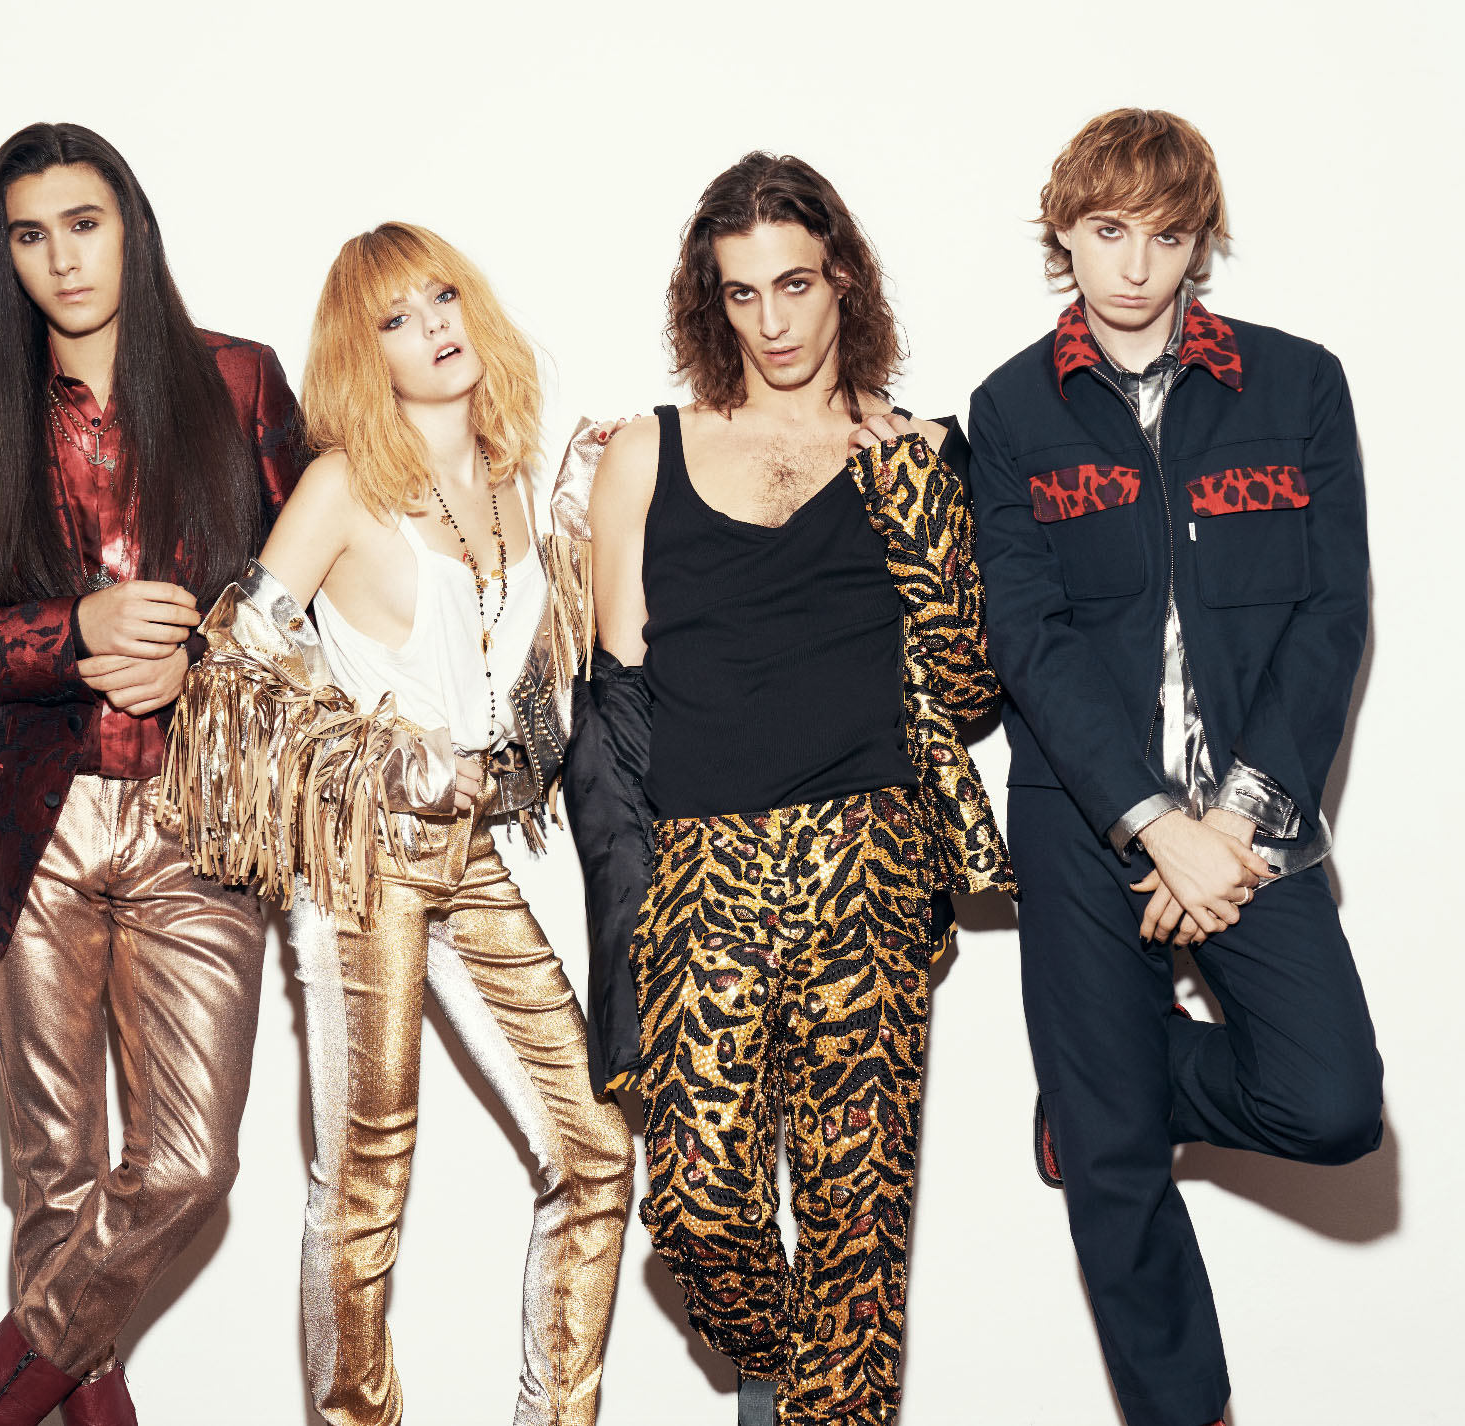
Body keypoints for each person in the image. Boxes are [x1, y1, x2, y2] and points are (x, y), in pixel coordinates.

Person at [156, 222, 632, 1426]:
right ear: (363, 355)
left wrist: (584, 515)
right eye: (396, 319)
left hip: (470, 854)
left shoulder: (513, 477)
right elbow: (233, 670)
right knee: (364, 1179)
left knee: (594, 1152)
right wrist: (384, 752)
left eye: (442, 298)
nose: (432, 328)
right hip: (361, 858)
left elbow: (529, 677)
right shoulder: (342, 487)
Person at [572, 152, 1012, 1426]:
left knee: (856, 1234)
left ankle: (819, 1391)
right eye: (741, 293)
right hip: (703, 869)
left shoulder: (919, 449)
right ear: (709, 302)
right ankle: (793, 1370)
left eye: (795, 286)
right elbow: (616, 714)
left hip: (870, 854)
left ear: (844, 281)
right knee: (696, 1205)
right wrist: (622, 947)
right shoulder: (646, 451)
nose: (771, 322)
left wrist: (918, 503)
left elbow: (969, 688)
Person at [965, 108, 1385, 1426]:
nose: (1135, 265)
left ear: (1201, 240)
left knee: (1331, 1101)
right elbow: (1029, 641)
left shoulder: (1297, 385)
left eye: (1164, 235)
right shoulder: (1010, 410)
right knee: (1116, 1176)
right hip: (1085, 820)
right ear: (1065, 234)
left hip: (1254, 819)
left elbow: (1333, 614)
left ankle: (1105, 1092)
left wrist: (1238, 824)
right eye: (1107, 232)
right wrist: (1156, 824)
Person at [0, 121, 303, 1426]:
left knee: (187, 1164)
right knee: (55, 1185)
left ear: (130, 225)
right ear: (4, 257)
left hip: (202, 819)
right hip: (40, 827)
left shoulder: (239, 382)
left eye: (84, 223)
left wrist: (199, 658)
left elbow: (315, 604)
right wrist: (74, 630)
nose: (62, 258)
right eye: (30, 235)